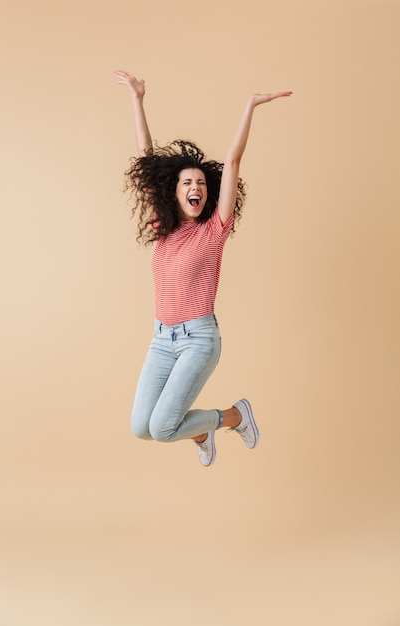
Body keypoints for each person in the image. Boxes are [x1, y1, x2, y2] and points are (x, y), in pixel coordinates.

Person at [114, 69, 292, 467]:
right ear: (172, 191)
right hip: (161, 339)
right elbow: (147, 162)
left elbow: (231, 161)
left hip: (198, 340)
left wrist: (250, 106)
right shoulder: (164, 229)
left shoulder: (214, 232)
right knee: (141, 427)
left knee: (162, 427)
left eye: (201, 184)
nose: (195, 188)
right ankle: (200, 429)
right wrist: (137, 99)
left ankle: (234, 416)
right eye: (186, 183)